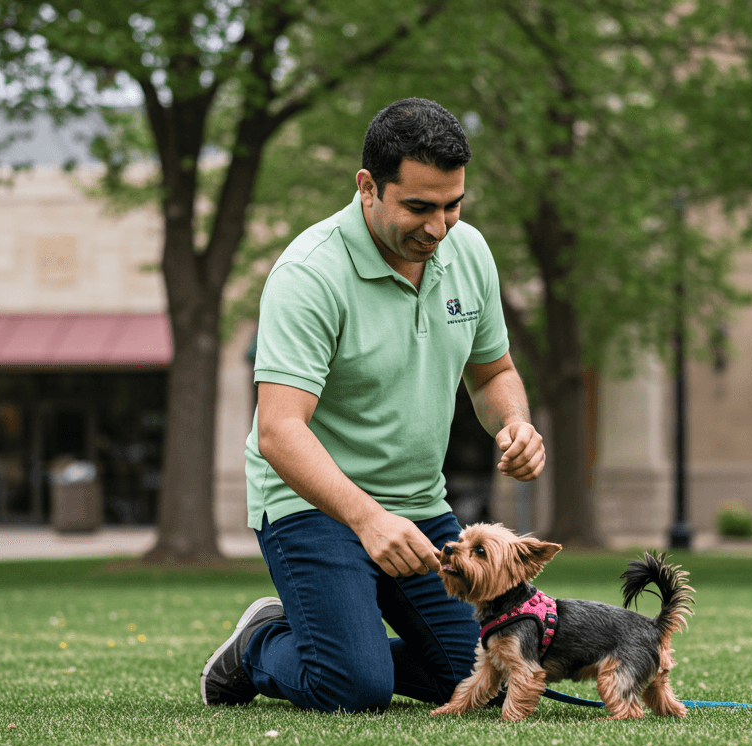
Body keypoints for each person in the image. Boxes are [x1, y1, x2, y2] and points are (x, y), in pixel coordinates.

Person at [200, 98, 545, 713]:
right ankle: (260, 643)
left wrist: (514, 422)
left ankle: (336, 642)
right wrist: (366, 519)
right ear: (368, 187)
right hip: (312, 508)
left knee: (484, 676)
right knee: (353, 690)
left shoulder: (469, 253)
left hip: (419, 507)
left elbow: (494, 372)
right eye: (418, 206)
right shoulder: (309, 274)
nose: (438, 227)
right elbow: (279, 431)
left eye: (452, 205)